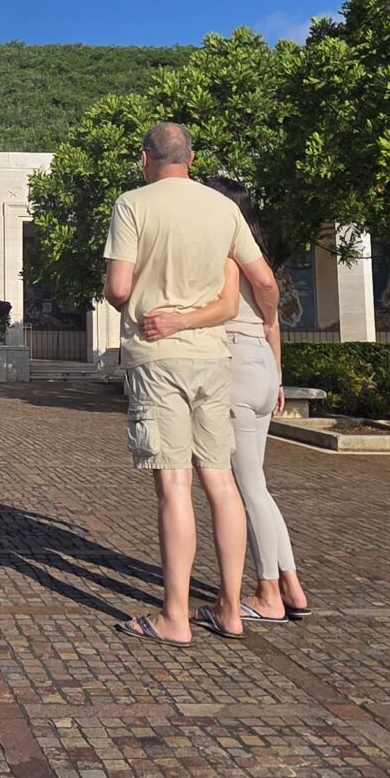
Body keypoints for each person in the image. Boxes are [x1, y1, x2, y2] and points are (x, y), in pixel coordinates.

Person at [103, 123, 283, 646]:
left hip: (158, 356)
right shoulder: (222, 208)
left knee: (174, 484)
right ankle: (230, 608)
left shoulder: (132, 205)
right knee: (221, 482)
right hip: (212, 357)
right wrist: (269, 323)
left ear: (144, 159)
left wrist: (140, 295)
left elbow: (118, 289)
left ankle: (175, 617)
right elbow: (263, 280)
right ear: (192, 158)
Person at [139, 175, 314, 625]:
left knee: (243, 487)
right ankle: (290, 584)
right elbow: (270, 313)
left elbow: (255, 294)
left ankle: (269, 592)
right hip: (262, 364)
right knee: (257, 485)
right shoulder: (254, 251)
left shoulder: (224, 252)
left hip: (233, 362)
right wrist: (277, 372)